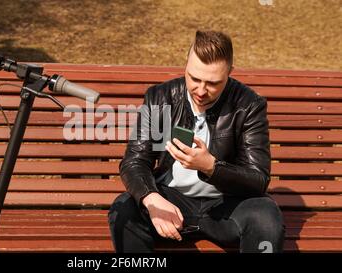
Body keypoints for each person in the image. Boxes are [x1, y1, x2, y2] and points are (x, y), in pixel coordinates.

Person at [108, 30, 285, 253]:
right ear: (186, 65)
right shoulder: (161, 98)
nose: (201, 90)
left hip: (226, 204)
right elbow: (134, 161)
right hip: (170, 199)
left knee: (266, 217)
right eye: (194, 78)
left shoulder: (248, 105)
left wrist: (211, 167)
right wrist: (151, 198)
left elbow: (258, 179)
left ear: (230, 73)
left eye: (213, 83)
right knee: (124, 209)